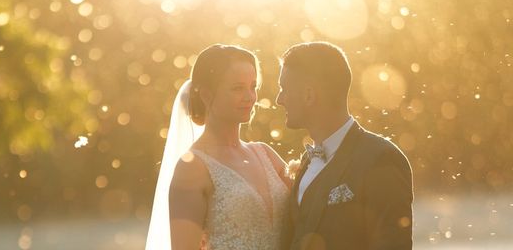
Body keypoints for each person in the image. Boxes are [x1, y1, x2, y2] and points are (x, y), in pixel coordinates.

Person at [146, 44, 291, 250]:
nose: (250, 97)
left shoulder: (266, 154)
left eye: (253, 86)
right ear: (206, 94)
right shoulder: (192, 168)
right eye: (237, 88)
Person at [276, 41, 413, 250]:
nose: (279, 99)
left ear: (309, 95)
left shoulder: (380, 158)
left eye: (284, 89)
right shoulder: (306, 162)